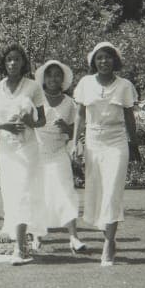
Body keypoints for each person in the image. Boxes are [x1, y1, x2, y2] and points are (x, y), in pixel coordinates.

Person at [73, 42, 141, 266]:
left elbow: (129, 118)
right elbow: (81, 116)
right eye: (100, 58)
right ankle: (107, 233)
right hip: (93, 141)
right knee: (98, 192)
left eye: (108, 57)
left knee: (112, 191)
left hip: (117, 142)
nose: (104, 61)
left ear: (115, 61)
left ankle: (108, 244)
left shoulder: (124, 86)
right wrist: (76, 142)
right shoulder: (85, 83)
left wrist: (135, 145)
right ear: (94, 62)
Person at [0, 44, 46, 265]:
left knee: (23, 192)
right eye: (9, 59)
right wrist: (6, 126)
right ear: (4, 63)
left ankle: (19, 249)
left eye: (17, 59)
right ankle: (21, 242)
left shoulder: (33, 87)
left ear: (23, 63)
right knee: (11, 195)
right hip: (7, 150)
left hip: (27, 148)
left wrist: (29, 121)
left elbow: (42, 120)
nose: (13, 63)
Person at [32, 60, 88, 254]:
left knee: (66, 192)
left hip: (58, 153)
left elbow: (77, 128)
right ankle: (36, 236)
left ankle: (74, 237)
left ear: (62, 80)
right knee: (38, 194)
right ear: (44, 79)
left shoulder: (69, 103)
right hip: (37, 153)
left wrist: (67, 128)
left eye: (57, 75)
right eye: (50, 75)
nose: (53, 78)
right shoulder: (36, 100)